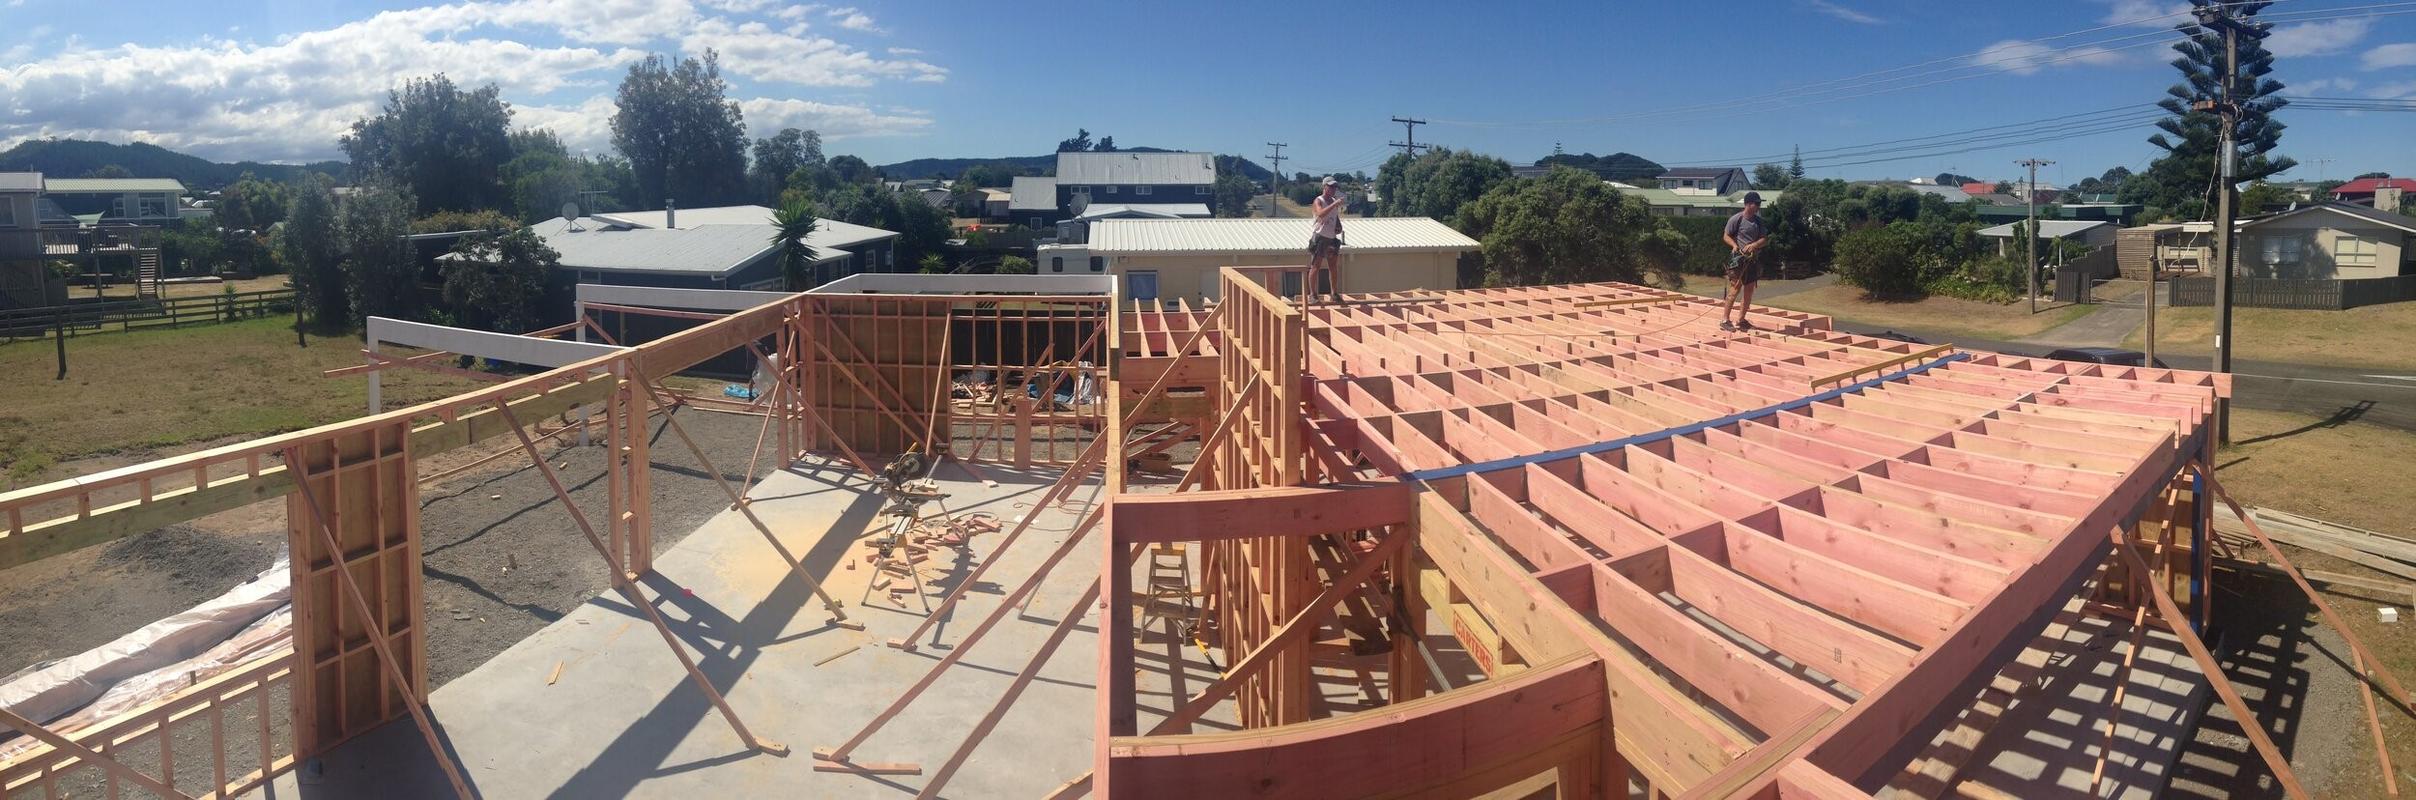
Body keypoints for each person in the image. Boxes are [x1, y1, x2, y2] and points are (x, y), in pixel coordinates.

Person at [1719, 191, 1769, 332]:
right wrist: (1734, 245)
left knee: (1749, 291)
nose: (1758, 206)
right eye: (1757, 204)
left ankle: (1741, 320)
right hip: (1738, 261)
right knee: (1734, 289)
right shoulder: (1737, 219)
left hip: (1752, 261)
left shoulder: (1758, 221)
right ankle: (1725, 320)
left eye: (1759, 204)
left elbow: (1764, 239)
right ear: (1748, 204)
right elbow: (1726, 236)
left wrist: (1754, 245)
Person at [1307, 176, 1346, 303]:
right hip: (1320, 237)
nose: (1333, 189)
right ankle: (1313, 295)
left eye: (1335, 187)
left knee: (1333, 267)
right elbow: (1320, 214)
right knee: (1315, 266)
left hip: (1331, 237)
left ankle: (1334, 293)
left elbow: (1335, 217)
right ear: (1324, 187)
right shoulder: (1319, 200)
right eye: (1331, 186)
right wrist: (1334, 204)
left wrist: (1339, 226)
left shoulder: (1333, 201)